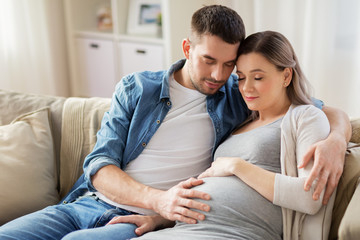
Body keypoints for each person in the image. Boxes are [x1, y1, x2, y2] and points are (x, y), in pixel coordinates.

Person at [0, 5, 350, 240]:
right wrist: (160, 202)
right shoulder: (139, 88)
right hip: (87, 203)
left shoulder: (238, 93)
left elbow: (311, 107)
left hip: (139, 223)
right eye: (209, 60)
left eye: (230, 65)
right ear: (187, 47)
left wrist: (335, 140)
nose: (219, 74)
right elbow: (99, 165)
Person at [109, 31, 341, 240]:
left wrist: (237, 166)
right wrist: (158, 219)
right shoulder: (240, 121)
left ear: (286, 76)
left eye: (258, 77)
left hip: (235, 232)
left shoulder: (304, 117)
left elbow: (310, 198)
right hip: (183, 229)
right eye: (241, 77)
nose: (246, 88)